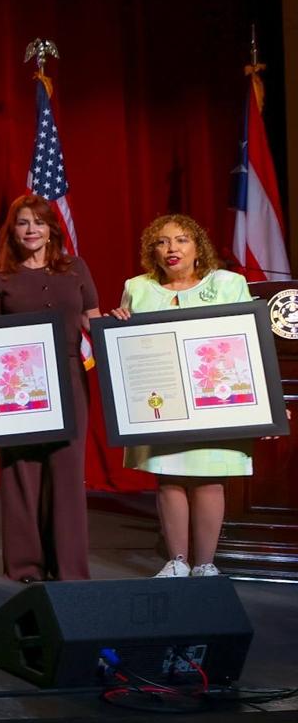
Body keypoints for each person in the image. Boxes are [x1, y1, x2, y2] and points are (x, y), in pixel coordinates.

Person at [111, 214, 254, 578]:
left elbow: (249, 344)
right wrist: (119, 323)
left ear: (197, 247)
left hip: (215, 399)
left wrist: (265, 404)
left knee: (208, 476)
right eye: (161, 241)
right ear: (152, 251)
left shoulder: (228, 284)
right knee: (169, 475)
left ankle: (205, 565)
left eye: (181, 240)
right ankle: (176, 562)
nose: (171, 248)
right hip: (163, 402)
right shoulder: (137, 288)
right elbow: (128, 346)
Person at [0, 194, 100, 582]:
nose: (31, 230)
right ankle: (26, 566)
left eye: (38, 222)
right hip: (19, 382)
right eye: (22, 222)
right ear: (12, 231)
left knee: (66, 471)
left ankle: (69, 567)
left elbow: (93, 321)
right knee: (21, 470)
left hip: (68, 377)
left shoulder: (75, 268)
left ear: (52, 228)